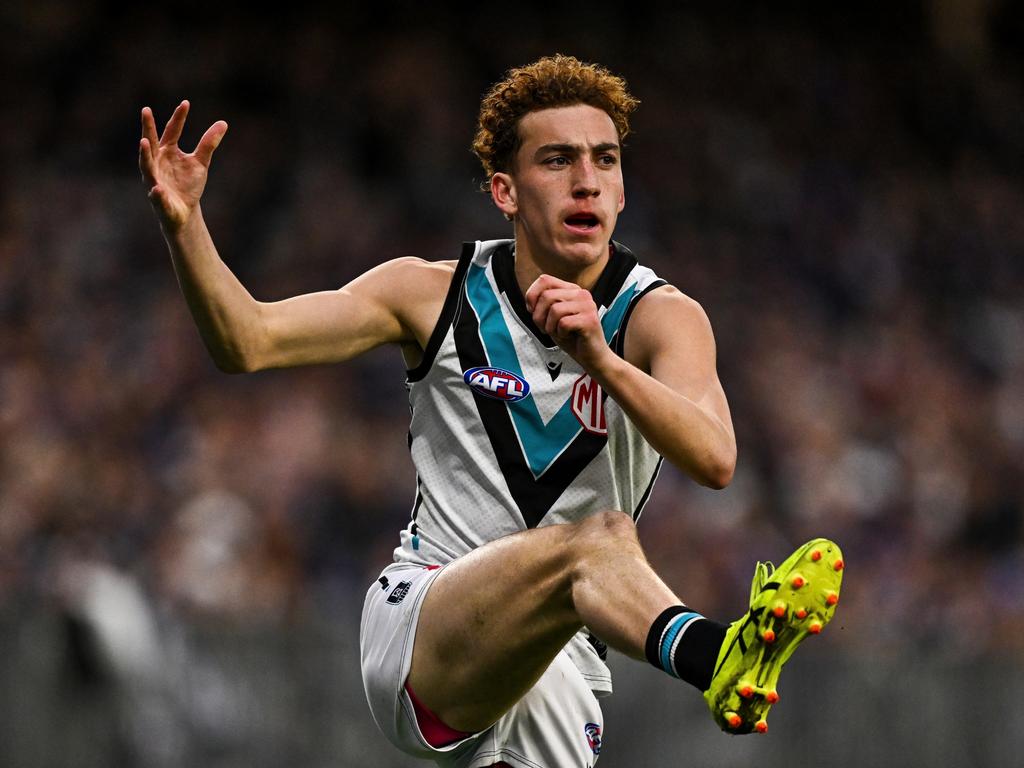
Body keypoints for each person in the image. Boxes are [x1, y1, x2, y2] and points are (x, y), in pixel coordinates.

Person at [139, 54, 844, 767]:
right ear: (505, 191)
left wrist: (601, 359)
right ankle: (716, 653)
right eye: (558, 160)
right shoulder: (428, 293)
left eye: (604, 160)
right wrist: (186, 226)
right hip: (422, 628)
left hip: (559, 660)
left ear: (623, 190)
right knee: (595, 539)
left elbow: (716, 458)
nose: (586, 180)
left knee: (584, 568)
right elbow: (247, 342)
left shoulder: (662, 318)